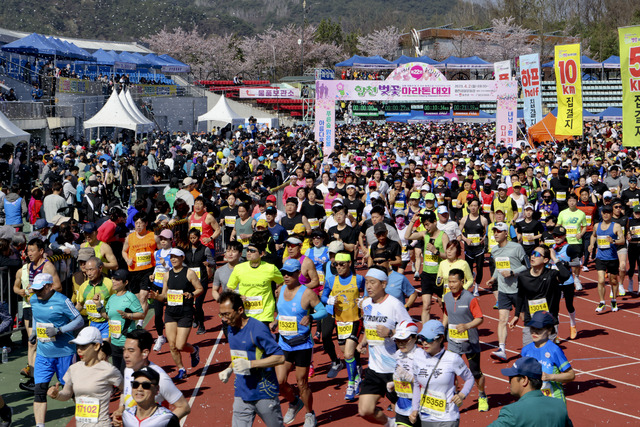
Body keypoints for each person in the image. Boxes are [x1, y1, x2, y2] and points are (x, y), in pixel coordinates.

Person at [217, 291, 285, 427]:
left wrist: (250, 364)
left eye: (227, 314)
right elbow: (240, 355)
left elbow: (280, 357)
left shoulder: (258, 329)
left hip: (264, 393)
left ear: (240, 310)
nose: (224, 319)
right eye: (221, 314)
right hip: (241, 392)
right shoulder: (231, 329)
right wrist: (229, 369)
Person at [357, 267, 411, 426]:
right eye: (366, 282)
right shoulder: (366, 303)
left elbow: (411, 330)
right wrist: (363, 342)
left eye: (372, 283)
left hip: (395, 369)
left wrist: (391, 332)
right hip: (374, 368)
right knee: (364, 410)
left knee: (407, 413)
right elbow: (370, 326)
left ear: (383, 284)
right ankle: (391, 424)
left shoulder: (394, 304)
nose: (368, 286)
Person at [276, 259, 327, 427]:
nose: (286, 276)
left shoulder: (307, 293)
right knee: (280, 381)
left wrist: (311, 316)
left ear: (298, 274)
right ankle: (294, 402)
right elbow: (281, 313)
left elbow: (323, 311)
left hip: (302, 344)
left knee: (302, 383)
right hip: (284, 343)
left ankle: (309, 414)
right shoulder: (280, 290)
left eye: (290, 273)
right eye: (284, 273)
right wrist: (275, 321)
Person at [29, 273, 84, 427]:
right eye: (35, 290)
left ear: (49, 286)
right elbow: (36, 315)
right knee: (39, 391)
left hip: (64, 353)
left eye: (40, 289)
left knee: (71, 390)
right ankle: (40, 425)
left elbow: (79, 320)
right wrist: (34, 331)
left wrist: (59, 330)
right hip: (43, 353)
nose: (37, 293)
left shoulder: (62, 301)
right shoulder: (34, 299)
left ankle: (86, 418)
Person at [47, 326, 123, 427]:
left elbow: (126, 390)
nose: (79, 350)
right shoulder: (73, 369)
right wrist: (57, 395)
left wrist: (121, 409)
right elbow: (67, 393)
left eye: (83, 346)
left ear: (96, 346)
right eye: (77, 346)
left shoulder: (109, 370)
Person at [112, 329, 190, 425]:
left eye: (131, 351)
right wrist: (121, 409)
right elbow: (126, 391)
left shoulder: (160, 377)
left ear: (145, 353)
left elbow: (184, 407)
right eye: (124, 350)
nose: (125, 355)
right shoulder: (128, 369)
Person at [13, 238, 62, 391]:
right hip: (33, 308)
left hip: (46, 309)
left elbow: (58, 286)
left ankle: (59, 380)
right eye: (28, 251)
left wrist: (40, 290)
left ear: (41, 251)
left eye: (32, 250)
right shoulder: (29, 267)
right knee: (32, 342)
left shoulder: (47, 266)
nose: (29, 253)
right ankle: (35, 378)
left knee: (46, 343)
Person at [408, 320, 474, 427]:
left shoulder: (452, 359)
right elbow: (416, 384)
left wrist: (462, 395)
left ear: (440, 339)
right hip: (426, 417)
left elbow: (469, 378)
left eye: (429, 339)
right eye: (422, 338)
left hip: (448, 417)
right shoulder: (417, 356)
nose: (424, 342)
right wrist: (414, 409)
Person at [149, 248, 202, 380]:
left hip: (185, 312)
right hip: (171, 313)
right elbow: (164, 296)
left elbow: (200, 288)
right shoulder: (167, 275)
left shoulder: (189, 273)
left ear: (182, 258)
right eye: (171, 257)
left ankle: (194, 350)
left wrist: (191, 294)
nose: (173, 259)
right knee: (172, 346)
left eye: (176, 257)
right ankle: (181, 369)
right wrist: (156, 297)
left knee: (180, 345)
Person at [442, 269, 488, 413]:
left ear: (462, 282)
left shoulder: (470, 298)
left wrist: (467, 326)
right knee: (450, 372)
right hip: (453, 342)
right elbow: (446, 314)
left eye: (454, 281)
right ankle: (453, 398)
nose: (451, 284)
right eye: (449, 281)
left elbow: (479, 318)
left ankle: (482, 396)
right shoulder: (447, 297)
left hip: (470, 343)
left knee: (475, 372)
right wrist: (441, 330)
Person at [320, 251, 365, 395]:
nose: (338, 267)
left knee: (347, 354)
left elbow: (368, 292)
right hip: (340, 322)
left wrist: (364, 300)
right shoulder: (331, 281)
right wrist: (328, 300)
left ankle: (351, 385)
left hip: (355, 321)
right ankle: (357, 376)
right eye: (336, 265)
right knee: (348, 354)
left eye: (342, 264)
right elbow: (323, 296)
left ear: (349, 264)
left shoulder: (359, 279)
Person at [488, 356, 573, 426]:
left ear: (524, 380)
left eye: (511, 378)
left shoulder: (512, 412)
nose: (509, 382)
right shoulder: (559, 406)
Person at [486, 222, 528, 361]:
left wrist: (512, 272)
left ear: (506, 233)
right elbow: (499, 269)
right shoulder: (494, 250)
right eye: (494, 231)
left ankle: (534, 344)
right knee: (502, 319)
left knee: (524, 318)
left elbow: (527, 266)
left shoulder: (517, 247)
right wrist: (493, 279)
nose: (496, 234)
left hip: (518, 290)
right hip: (503, 290)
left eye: (498, 231)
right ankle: (502, 349)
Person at [226, 240, 284, 325]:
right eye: (248, 250)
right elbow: (230, 288)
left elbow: (283, 282)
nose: (249, 253)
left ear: (261, 254)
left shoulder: (270, 268)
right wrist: (238, 296)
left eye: (252, 251)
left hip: (264, 314)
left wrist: (279, 291)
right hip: (245, 312)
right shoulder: (239, 268)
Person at [521, 311, 575, 401]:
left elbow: (571, 375)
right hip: (534, 400)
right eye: (532, 328)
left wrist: (550, 377)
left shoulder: (554, 350)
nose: (534, 332)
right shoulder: (526, 350)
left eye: (539, 329)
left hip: (553, 399)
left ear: (549, 330)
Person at [406, 210, 449, 323]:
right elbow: (407, 236)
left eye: (428, 224)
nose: (426, 227)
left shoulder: (443, 236)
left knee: (442, 304)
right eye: (424, 225)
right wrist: (412, 221)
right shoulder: (424, 234)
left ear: (435, 222)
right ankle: (426, 331)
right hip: (426, 275)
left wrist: (436, 252)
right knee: (426, 306)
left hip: (439, 276)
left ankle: (446, 326)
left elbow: (448, 256)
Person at [102, 269, 144, 373]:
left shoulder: (130, 297)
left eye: (117, 280)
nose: (113, 281)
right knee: (118, 375)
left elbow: (141, 314)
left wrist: (128, 315)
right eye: (113, 279)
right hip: (115, 342)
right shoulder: (112, 298)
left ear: (126, 282)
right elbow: (107, 317)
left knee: (125, 374)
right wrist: (99, 306)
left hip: (127, 342)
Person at [122, 212, 159, 326]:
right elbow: (124, 251)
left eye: (140, 223)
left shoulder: (153, 236)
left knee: (143, 297)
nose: (138, 225)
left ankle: (140, 321)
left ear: (146, 223)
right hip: (134, 271)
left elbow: (162, 250)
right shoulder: (130, 237)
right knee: (138, 298)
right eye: (136, 223)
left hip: (148, 270)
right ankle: (140, 315)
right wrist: (127, 259)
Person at [589, 204, 625, 312]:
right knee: (600, 280)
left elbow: (622, 241)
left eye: (608, 213)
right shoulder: (596, 226)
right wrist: (591, 245)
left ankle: (613, 300)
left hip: (612, 257)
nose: (606, 215)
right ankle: (602, 302)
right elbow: (593, 236)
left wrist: (613, 241)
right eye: (604, 213)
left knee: (613, 280)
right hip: (600, 257)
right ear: (601, 213)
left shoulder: (616, 226)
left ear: (611, 214)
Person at [386, 320, 420, 427]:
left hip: (420, 409)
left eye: (404, 340)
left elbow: (429, 385)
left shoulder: (421, 357)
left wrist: (410, 378)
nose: (401, 344)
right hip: (402, 408)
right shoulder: (397, 355)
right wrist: (393, 385)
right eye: (398, 340)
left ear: (415, 338)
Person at [75, 257, 114, 340]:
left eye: (91, 270)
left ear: (100, 268)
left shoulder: (109, 284)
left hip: (107, 324)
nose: (89, 273)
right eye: (87, 270)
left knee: (103, 349)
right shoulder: (83, 286)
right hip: (92, 324)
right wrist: (69, 317)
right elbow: (79, 305)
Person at [151, 229, 174, 352]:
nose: (163, 241)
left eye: (165, 239)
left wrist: (166, 265)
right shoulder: (157, 253)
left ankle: (173, 336)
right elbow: (156, 267)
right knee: (158, 314)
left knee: (170, 313)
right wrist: (153, 275)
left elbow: (175, 271)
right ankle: (160, 337)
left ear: (171, 240)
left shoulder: (174, 253)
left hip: (169, 287)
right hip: (157, 286)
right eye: (162, 239)